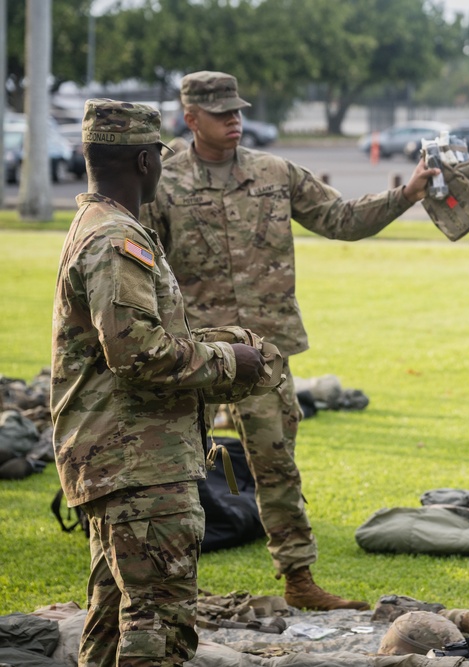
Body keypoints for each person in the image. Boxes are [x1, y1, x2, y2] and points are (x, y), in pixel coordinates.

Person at [141, 71, 439, 611]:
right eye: (221, 113)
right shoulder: (163, 182)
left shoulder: (274, 173)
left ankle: (298, 581)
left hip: (263, 350)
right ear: (190, 118)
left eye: (238, 111)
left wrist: (408, 194)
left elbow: (341, 219)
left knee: (276, 463)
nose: (235, 120)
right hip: (193, 354)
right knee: (176, 467)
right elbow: (146, 268)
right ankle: (168, 584)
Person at [51, 99, 266, 667]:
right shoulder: (115, 238)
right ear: (146, 161)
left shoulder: (98, 225)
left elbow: (129, 337)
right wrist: (230, 362)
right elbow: (135, 353)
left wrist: (217, 339)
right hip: (137, 465)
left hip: (120, 462)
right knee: (159, 631)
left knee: (110, 623)